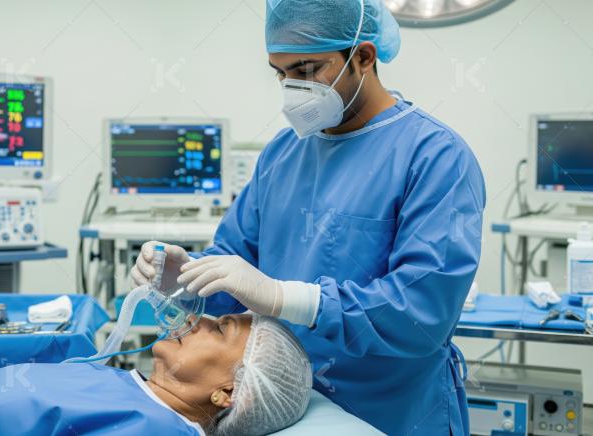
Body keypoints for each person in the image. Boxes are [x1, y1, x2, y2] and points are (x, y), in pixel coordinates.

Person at [131, 0, 485, 434]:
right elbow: (233, 267)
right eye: (281, 74)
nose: (292, 88)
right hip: (283, 414)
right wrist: (182, 278)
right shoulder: (283, 154)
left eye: (306, 70)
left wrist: (286, 298)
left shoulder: (435, 157)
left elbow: (421, 314)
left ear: (363, 57)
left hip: (394, 411)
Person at [0, 314, 312, 436]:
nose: (195, 320)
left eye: (217, 330)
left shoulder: (148, 429)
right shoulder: (128, 390)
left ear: (225, 393)